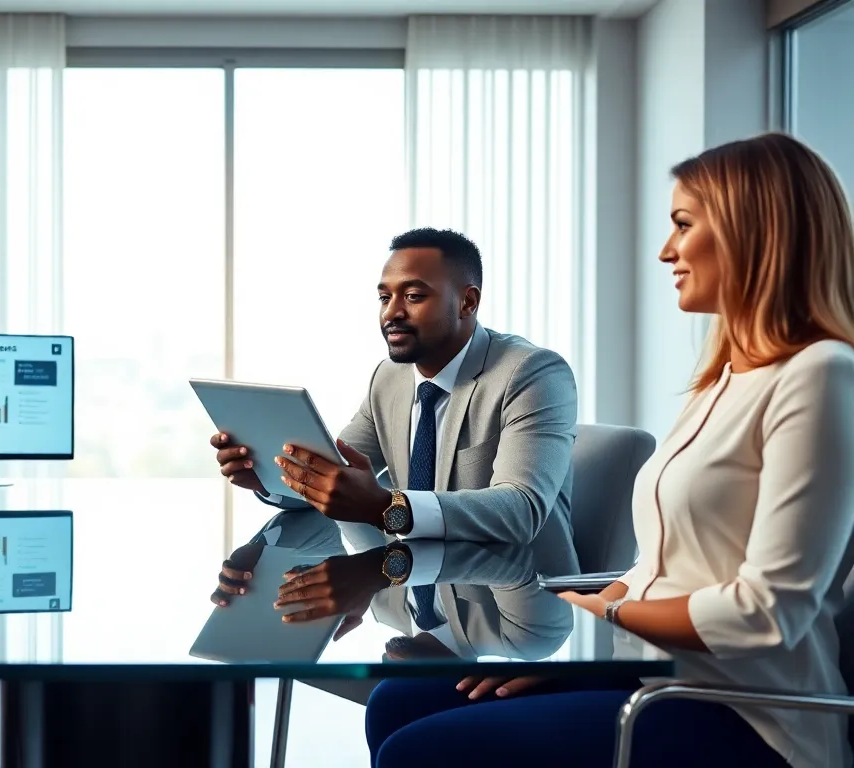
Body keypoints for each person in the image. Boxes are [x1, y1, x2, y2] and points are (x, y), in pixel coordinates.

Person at [366, 133, 854, 768]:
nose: (666, 250)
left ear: (753, 231)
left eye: (683, 224)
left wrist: (614, 613)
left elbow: (767, 613)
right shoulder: (725, 377)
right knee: (401, 702)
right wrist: (583, 654)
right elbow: (667, 565)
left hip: (748, 713)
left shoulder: (821, 374)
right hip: (661, 676)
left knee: (421, 751)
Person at [211, 227, 580, 635]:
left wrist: (386, 507)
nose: (391, 313)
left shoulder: (531, 373)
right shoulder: (389, 378)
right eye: (385, 297)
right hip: (414, 585)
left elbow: (521, 512)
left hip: (516, 603)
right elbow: (338, 479)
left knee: (390, 698)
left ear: (467, 301)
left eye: (413, 296)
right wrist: (267, 475)